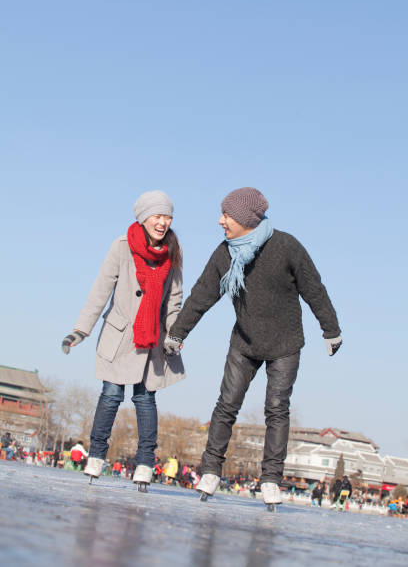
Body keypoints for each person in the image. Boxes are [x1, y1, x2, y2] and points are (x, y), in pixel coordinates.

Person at [164, 187, 342, 508]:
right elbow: (203, 294)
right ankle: (210, 471)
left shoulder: (287, 247)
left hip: (285, 343)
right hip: (244, 341)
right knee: (227, 404)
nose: (220, 221)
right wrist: (178, 333)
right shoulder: (225, 253)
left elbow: (314, 288)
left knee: (276, 408)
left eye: (226, 216)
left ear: (246, 218)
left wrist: (331, 331)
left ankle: (271, 479)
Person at [61, 191, 185, 489]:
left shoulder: (173, 254)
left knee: (145, 398)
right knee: (111, 394)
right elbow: (101, 290)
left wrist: (174, 334)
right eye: (157, 215)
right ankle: (96, 455)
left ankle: (144, 464)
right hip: (120, 335)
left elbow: (174, 300)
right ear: (143, 218)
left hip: (152, 337)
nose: (162, 222)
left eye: (167, 216)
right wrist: (81, 329)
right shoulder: (121, 247)